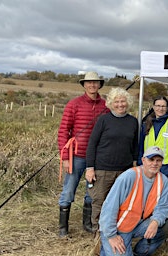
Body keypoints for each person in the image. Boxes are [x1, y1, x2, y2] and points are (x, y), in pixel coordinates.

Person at [57, 71, 109, 237]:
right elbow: (64, 131)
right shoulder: (74, 104)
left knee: (91, 191)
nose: (92, 85)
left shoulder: (105, 106)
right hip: (77, 156)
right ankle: (63, 228)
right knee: (68, 190)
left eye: (95, 82)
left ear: (99, 84)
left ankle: (87, 223)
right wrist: (65, 157)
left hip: (96, 157)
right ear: (84, 85)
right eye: (89, 83)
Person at [98, 146, 168, 256]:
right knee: (115, 248)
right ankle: (107, 245)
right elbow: (109, 207)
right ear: (143, 160)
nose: (154, 163)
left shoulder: (163, 181)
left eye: (158, 160)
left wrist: (155, 221)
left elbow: (163, 207)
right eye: (151, 160)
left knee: (166, 227)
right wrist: (111, 236)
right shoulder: (129, 176)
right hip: (118, 227)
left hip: (138, 224)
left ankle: (140, 252)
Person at [85, 87, 139, 233]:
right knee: (99, 202)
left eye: (123, 101)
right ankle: (98, 232)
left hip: (124, 170)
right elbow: (92, 144)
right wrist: (90, 168)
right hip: (102, 170)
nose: (120, 104)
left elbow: (135, 145)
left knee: (120, 202)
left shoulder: (133, 122)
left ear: (127, 103)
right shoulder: (104, 120)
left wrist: (134, 165)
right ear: (111, 103)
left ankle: (117, 231)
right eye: (117, 102)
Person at [139, 96, 168, 240]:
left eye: (163, 106)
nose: (160, 108)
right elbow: (141, 145)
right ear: (153, 106)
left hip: (167, 167)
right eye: (158, 105)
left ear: (167, 108)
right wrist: (140, 164)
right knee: (148, 198)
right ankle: (150, 228)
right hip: (148, 167)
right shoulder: (146, 122)